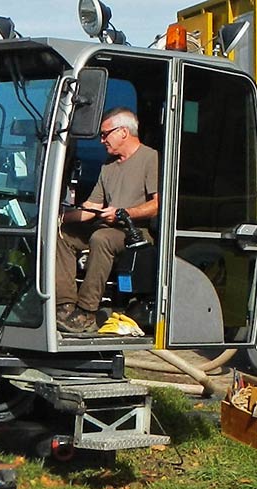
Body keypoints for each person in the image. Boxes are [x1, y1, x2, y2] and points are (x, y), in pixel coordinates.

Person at [56, 108, 160, 333]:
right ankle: (64, 305)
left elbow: (157, 205)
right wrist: (58, 217)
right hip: (107, 225)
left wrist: (124, 213)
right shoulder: (108, 166)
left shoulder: (151, 158)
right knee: (62, 233)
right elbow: (91, 207)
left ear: (123, 132)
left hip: (135, 232)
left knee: (101, 238)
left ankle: (86, 312)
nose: (102, 140)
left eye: (105, 134)